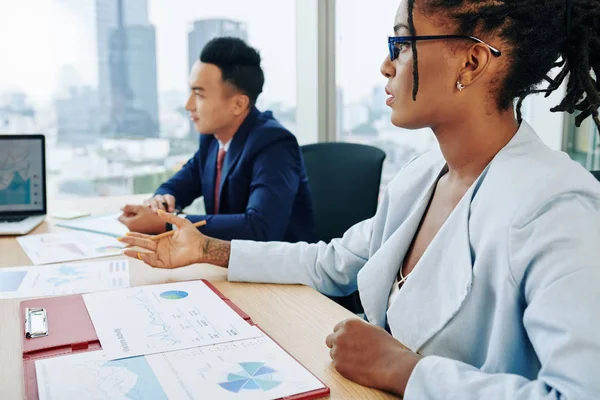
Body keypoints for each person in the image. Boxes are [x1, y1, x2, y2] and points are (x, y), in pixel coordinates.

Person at [120, 0, 600, 398]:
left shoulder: (556, 207)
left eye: (402, 42)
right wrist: (207, 250)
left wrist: (404, 371)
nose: (386, 63)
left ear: (470, 62)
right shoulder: (422, 177)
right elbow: (333, 262)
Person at [118, 37, 317, 243]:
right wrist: (161, 203)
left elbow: (260, 228)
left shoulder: (274, 144)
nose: (188, 105)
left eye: (199, 95)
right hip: (228, 265)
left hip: (280, 271)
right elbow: (179, 185)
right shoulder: (213, 139)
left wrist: (170, 223)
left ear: (238, 104)